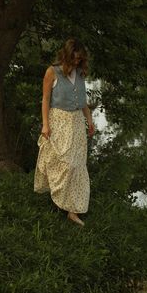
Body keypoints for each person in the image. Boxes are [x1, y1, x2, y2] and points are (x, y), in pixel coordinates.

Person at [34, 38, 95, 226]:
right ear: (66, 55)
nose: (77, 62)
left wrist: (89, 120)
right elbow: (45, 99)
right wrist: (45, 124)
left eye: (80, 59)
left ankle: (72, 210)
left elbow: (83, 102)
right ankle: (59, 194)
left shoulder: (80, 73)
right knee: (64, 162)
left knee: (77, 166)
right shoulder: (52, 72)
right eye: (74, 58)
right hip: (58, 120)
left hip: (76, 122)